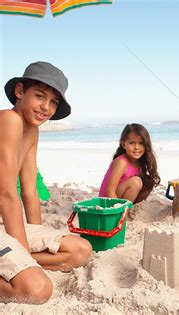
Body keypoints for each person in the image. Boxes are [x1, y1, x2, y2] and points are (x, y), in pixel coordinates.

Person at [0, 61, 92, 304]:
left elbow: (29, 191)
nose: (46, 107)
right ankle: (23, 271)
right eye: (39, 96)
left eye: (53, 102)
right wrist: (24, 254)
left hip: (4, 223)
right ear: (20, 92)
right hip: (4, 213)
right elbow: (7, 194)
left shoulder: (32, 130)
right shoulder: (9, 119)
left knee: (80, 251)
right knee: (38, 290)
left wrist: (36, 235)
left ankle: (20, 265)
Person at [99, 123, 160, 205]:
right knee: (136, 182)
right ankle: (123, 209)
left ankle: (131, 206)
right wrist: (116, 210)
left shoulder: (139, 162)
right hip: (107, 201)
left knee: (149, 181)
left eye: (141, 143)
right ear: (124, 144)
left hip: (121, 198)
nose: (137, 147)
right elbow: (109, 191)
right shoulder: (122, 162)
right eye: (132, 143)